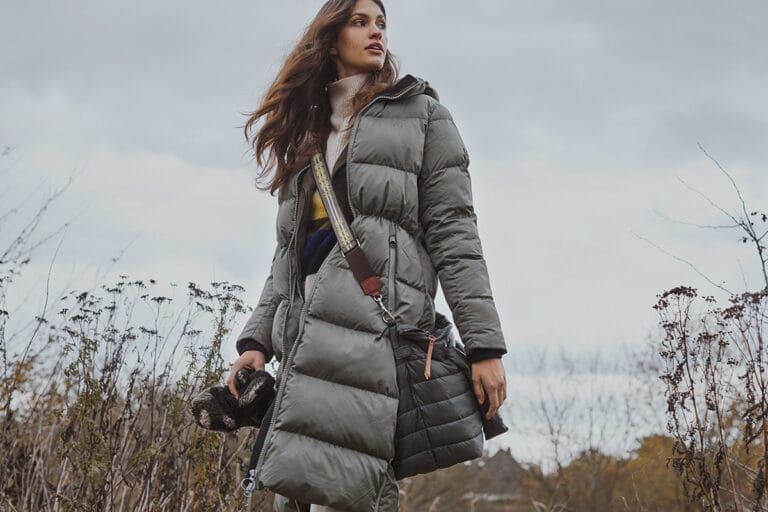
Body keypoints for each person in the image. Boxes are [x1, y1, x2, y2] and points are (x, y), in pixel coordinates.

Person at [227, 1, 508, 510]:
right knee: (292, 492)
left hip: (373, 336)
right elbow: (288, 254)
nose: (376, 32)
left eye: (381, 23)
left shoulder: (423, 116)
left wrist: (484, 345)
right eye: (360, 22)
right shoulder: (307, 133)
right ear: (331, 38)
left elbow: (455, 235)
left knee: (354, 489)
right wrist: (257, 340)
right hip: (304, 339)